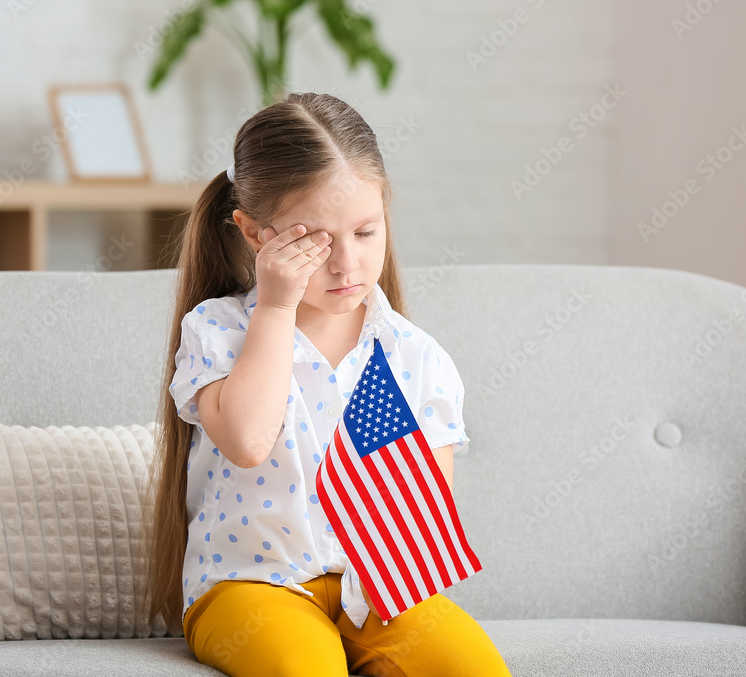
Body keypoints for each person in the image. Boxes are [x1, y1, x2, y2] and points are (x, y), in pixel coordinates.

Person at [143, 92, 512, 677]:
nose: (347, 264)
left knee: (471, 665)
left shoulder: (412, 357)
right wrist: (276, 308)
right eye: (313, 240)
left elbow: (418, 513)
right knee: (306, 667)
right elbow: (246, 440)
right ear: (253, 233)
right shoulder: (219, 331)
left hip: (373, 590)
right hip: (249, 584)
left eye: (366, 231)